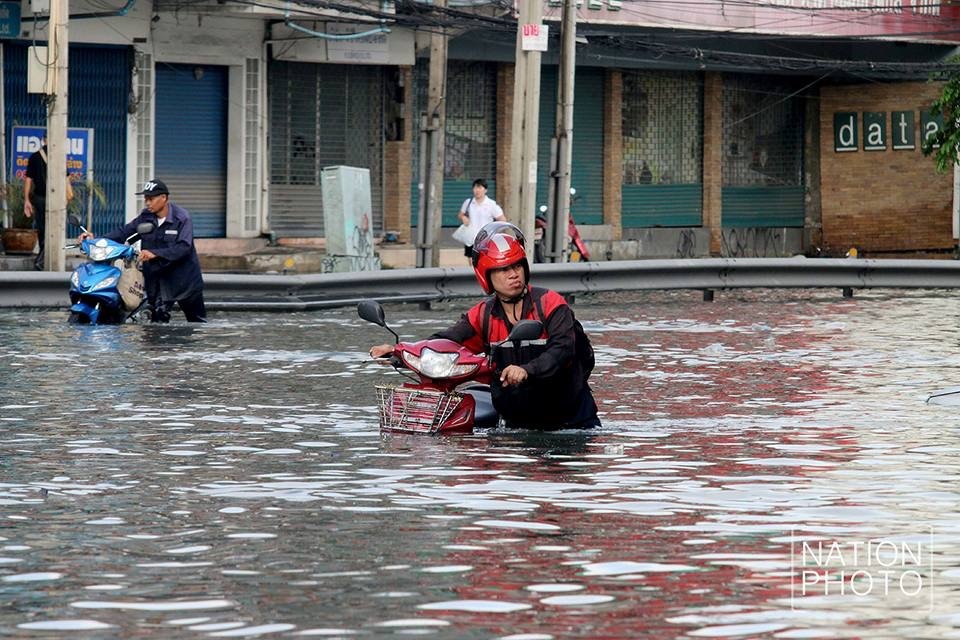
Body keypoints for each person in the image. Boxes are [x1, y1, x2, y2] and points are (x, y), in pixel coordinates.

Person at [371, 222, 600, 430]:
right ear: (486, 276)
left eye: (517, 266)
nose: (513, 275)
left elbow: (561, 350)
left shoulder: (550, 304)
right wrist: (402, 351)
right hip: (516, 424)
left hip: (571, 422)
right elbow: (447, 342)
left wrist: (526, 370)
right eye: (503, 269)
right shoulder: (482, 315)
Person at [79, 179, 206, 323]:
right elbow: (124, 232)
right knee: (157, 322)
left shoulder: (182, 218)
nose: (147, 203)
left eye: (151, 199)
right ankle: (160, 346)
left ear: (163, 198)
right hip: (156, 279)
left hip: (184, 279)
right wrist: (97, 240)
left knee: (197, 322)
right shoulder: (146, 216)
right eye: (146, 199)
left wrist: (155, 253)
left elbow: (184, 247)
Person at [24, 135, 74, 270]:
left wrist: (26, 200)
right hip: (56, 200)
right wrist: (66, 197)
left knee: (42, 229)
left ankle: (42, 258)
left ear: (43, 140)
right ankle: (43, 258)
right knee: (56, 229)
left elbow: (28, 180)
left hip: (40, 198)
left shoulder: (34, 157)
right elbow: (67, 178)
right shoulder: (59, 157)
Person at [457, 178, 506, 262]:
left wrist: (494, 232)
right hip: (471, 237)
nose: (477, 190)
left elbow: (502, 220)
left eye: (479, 188)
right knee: (472, 260)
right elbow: (460, 214)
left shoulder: (491, 204)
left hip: (486, 238)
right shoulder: (468, 202)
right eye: (475, 188)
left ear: (485, 190)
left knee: (485, 260)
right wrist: (463, 217)